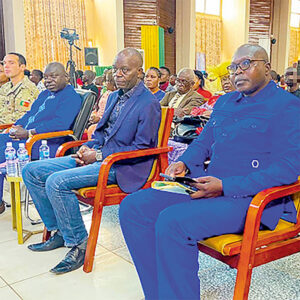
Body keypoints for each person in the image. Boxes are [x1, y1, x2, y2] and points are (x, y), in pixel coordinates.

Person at [119, 44, 300, 300]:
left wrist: (225, 186)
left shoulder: (287, 106)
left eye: (246, 64)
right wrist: (185, 163)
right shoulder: (226, 102)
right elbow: (204, 143)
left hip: (251, 198)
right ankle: (158, 294)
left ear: (267, 67)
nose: (237, 72)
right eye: (233, 67)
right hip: (207, 186)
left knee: (173, 222)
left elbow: (288, 169)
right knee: (134, 207)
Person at [21, 48, 161, 275]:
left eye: (125, 70)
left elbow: (143, 148)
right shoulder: (115, 96)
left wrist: (97, 156)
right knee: (32, 171)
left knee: (56, 182)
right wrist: (89, 147)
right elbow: (103, 134)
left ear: (140, 72)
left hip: (123, 166)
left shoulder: (148, 103)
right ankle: (59, 231)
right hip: (101, 157)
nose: (118, 74)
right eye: (115, 69)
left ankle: (78, 244)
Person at [0, 62, 82, 215]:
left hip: (45, 143)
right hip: (26, 138)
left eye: (54, 76)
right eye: (46, 77)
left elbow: (60, 124)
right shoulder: (44, 94)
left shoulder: (71, 97)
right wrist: (15, 127)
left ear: (66, 77)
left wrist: (29, 132)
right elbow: (29, 114)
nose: (48, 80)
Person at [0, 53, 39, 124]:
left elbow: (21, 117)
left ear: (22, 67)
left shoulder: (27, 88)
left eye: (11, 63)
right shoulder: (5, 87)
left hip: (14, 130)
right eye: (4, 63)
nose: (6, 66)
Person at [87, 69, 117, 139]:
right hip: (97, 118)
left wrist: (99, 119)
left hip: (105, 122)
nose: (105, 84)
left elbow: (111, 115)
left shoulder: (115, 96)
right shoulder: (105, 94)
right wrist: (93, 115)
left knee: (92, 129)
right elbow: (98, 108)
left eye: (107, 81)